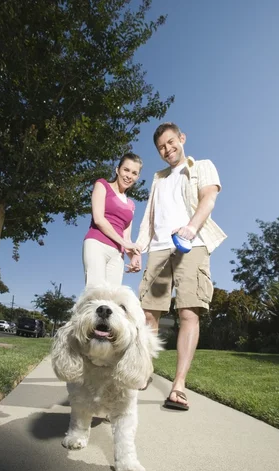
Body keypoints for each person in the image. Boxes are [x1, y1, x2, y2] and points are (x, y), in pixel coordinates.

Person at [127, 123, 227, 410]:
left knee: (188, 312)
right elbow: (150, 218)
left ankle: (178, 385)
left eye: (171, 142)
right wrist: (138, 250)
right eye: (161, 147)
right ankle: (143, 372)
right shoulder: (158, 179)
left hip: (191, 244)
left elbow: (209, 197)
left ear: (182, 139)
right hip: (158, 248)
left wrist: (191, 228)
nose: (168, 149)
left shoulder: (202, 165)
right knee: (148, 314)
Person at [83, 153, 143, 286]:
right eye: (126, 170)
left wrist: (134, 258)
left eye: (134, 173)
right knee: (95, 293)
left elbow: (127, 240)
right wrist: (124, 243)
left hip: (117, 253)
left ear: (137, 177)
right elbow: (99, 219)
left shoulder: (131, 205)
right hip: (97, 244)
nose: (129, 176)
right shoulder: (102, 185)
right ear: (117, 170)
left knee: (112, 298)